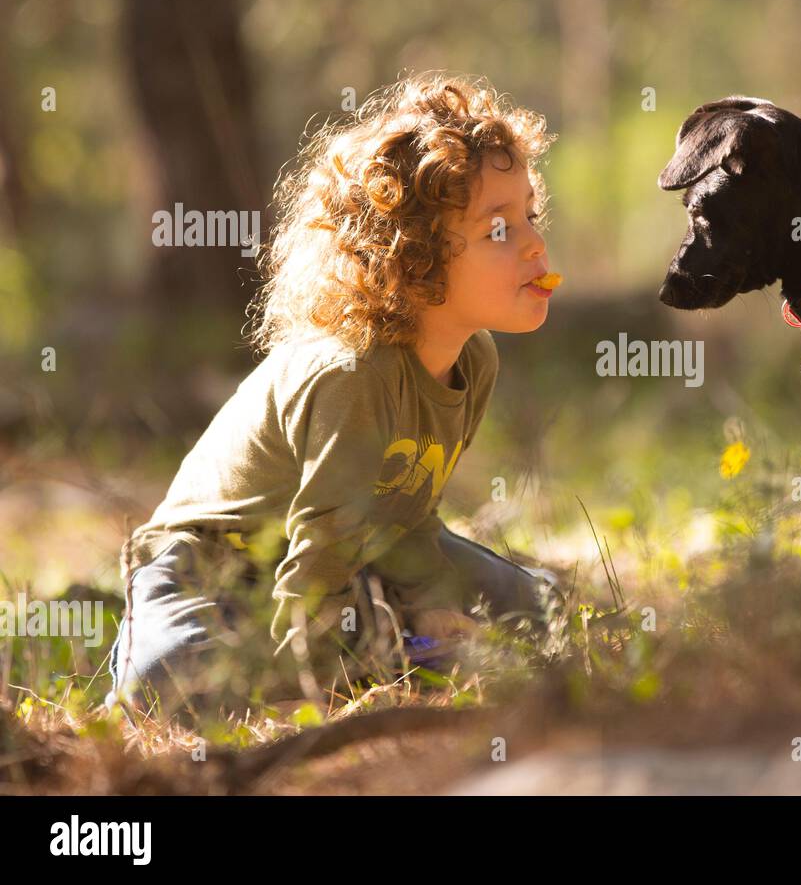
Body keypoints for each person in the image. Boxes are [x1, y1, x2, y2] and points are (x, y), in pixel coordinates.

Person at [107, 72, 564, 721]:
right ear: (413, 259)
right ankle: (344, 655)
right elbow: (316, 560)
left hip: (356, 557)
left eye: (530, 216)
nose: (535, 244)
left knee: (535, 614)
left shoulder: (474, 360)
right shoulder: (351, 374)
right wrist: (317, 696)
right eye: (499, 229)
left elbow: (404, 523)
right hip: (216, 567)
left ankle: (380, 641)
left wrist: (439, 599)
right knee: (171, 692)